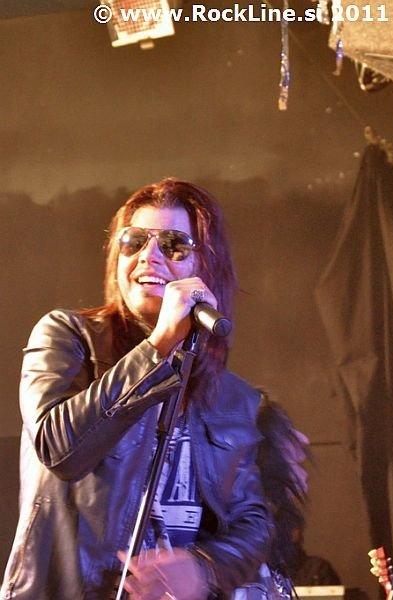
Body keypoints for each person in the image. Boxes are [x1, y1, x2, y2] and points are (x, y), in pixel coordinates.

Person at [1, 178, 274, 600]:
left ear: (208, 267)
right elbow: (58, 449)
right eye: (134, 241)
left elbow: (253, 523)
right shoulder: (68, 337)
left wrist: (202, 568)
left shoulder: (232, 398)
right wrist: (159, 346)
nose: (149, 255)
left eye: (174, 244)